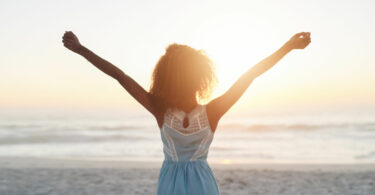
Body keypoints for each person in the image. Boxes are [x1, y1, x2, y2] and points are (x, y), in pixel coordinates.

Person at [62, 31, 311, 195]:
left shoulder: (160, 109)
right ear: (198, 77)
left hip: (176, 182)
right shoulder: (211, 111)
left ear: (166, 77)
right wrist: (287, 47)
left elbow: (120, 77)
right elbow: (250, 75)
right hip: (197, 182)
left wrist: (83, 50)